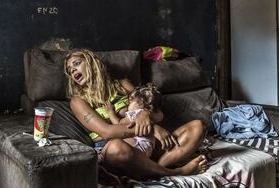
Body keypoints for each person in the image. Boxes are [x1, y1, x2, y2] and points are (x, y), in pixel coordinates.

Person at [64, 48, 207, 180]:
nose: (73, 70)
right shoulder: (78, 101)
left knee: (198, 127)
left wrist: (146, 113)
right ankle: (176, 172)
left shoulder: (123, 84)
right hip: (115, 148)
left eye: (76, 63)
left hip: (147, 143)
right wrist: (153, 128)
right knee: (116, 148)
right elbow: (107, 132)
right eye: (70, 70)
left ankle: (153, 169)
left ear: (91, 62)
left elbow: (158, 113)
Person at [105, 83, 160, 158]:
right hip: (148, 146)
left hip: (138, 144)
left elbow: (118, 123)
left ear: (140, 104)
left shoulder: (136, 114)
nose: (128, 102)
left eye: (131, 100)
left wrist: (110, 112)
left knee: (113, 145)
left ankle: (102, 159)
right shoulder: (147, 114)